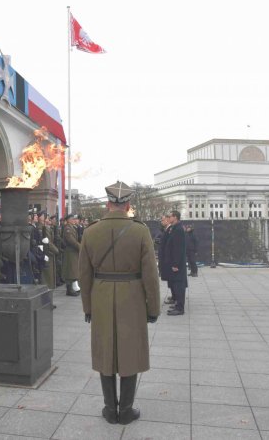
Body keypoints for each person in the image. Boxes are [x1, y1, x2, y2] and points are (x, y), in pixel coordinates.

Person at [78, 181, 160, 425]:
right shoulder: (140, 231)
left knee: (105, 352)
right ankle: (125, 410)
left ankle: (109, 409)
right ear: (128, 205)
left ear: (108, 204)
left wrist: (87, 307)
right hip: (132, 297)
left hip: (101, 296)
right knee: (129, 351)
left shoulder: (91, 231)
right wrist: (153, 308)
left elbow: (84, 274)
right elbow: (150, 274)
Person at [162, 211, 188, 316]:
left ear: (175, 217)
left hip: (177, 264)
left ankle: (180, 308)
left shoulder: (178, 230)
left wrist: (176, 264)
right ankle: (177, 304)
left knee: (179, 285)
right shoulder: (175, 228)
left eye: (170, 216)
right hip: (173, 262)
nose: (169, 218)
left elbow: (178, 248)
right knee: (176, 285)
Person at [62, 213, 81, 296]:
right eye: (72, 219)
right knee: (70, 271)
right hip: (70, 252)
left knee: (73, 271)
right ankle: (69, 289)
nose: (74, 220)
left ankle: (71, 288)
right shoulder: (68, 228)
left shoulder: (72, 227)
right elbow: (71, 240)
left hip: (73, 251)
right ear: (68, 220)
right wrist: (80, 247)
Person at [157, 214, 173, 303]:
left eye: (163, 220)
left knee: (172, 279)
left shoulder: (171, 230)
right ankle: (174, 295)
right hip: (165, 257)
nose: (161, 222)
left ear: (167, 220)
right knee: (169, 279)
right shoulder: (166, 229)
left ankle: (175, 297)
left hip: (168, 259)